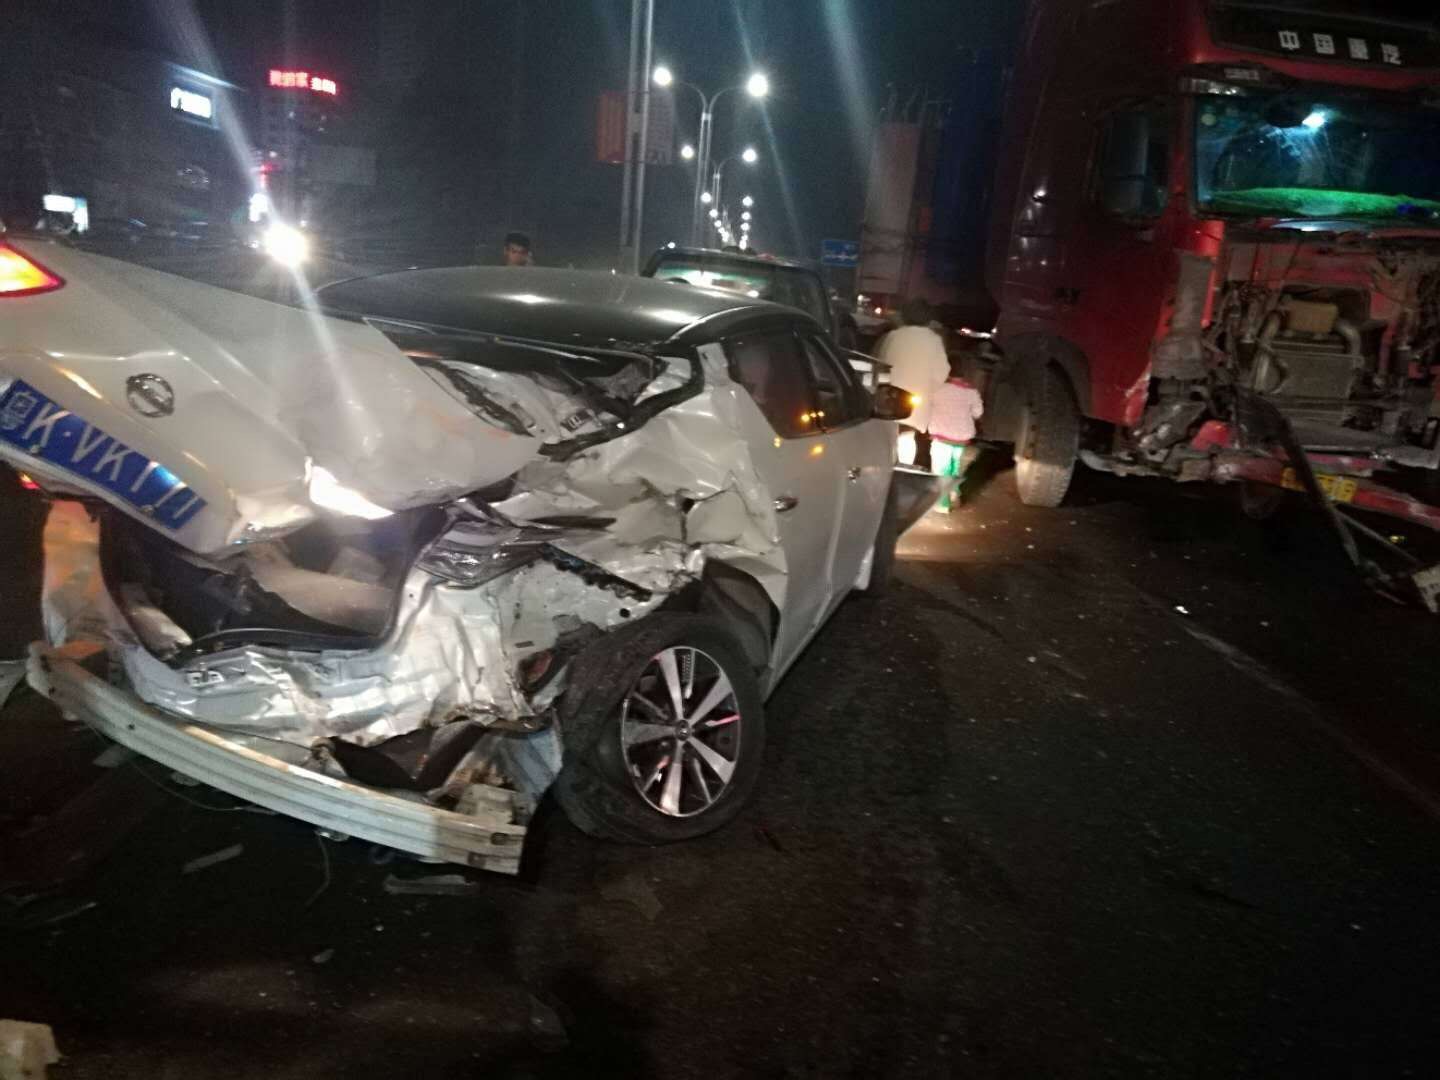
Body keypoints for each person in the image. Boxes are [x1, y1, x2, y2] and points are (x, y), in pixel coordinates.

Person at [876, 298, 950, 471]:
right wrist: (930, 388)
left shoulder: (893, 336)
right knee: (918, 440)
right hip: (918, 402)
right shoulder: (934, 340)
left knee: (889, 440)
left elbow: (881, 364)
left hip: (890, 399)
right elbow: (942, 372)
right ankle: (916, 471)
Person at [926, 371, 985, 511]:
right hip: (961, 438)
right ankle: (955, 493)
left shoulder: (938, 389)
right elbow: (978, 413)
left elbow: (926, 406)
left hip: (942, 436)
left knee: (941, 469)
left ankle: (943, 504)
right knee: (954, 466)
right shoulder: (972, 392)